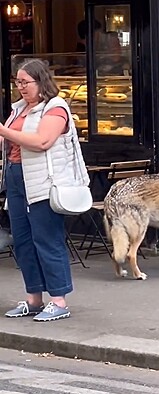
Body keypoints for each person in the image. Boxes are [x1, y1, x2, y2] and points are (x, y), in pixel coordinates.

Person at [0, 58, 89, 321]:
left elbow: (42, 141)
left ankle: (59, 300)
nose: (21, 87)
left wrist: (4, 131)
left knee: (47, 239)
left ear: (41, 81)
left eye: (26, 82)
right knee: (23, 240)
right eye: (18, 82)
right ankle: (34, 298)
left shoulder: (55, 108)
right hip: (16, 177)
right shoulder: (18, 109)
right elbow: (8, 143)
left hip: (42, 182)